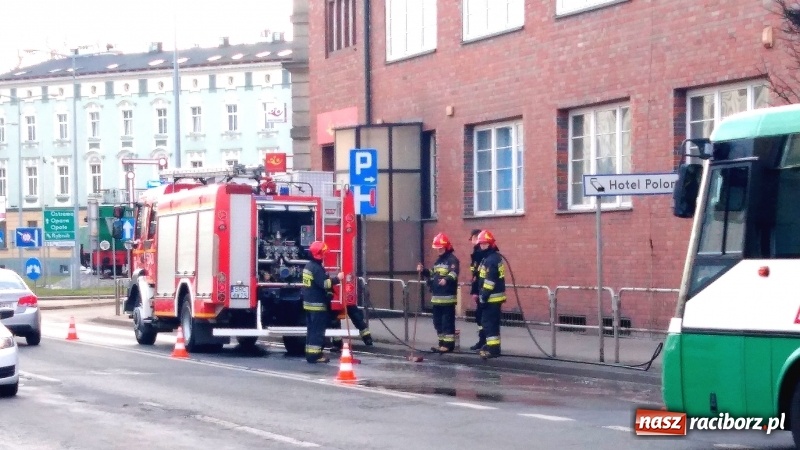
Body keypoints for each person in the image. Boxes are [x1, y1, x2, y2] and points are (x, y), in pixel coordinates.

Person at [417, 232, 460, 353]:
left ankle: (448, 345)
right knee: (437, 322)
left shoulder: (452, 260)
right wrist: (423, 271)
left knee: (447, 322)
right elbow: (432, 273)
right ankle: (441, 343)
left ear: (446, 246)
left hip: (447, 298)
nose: (438, 250)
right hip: (436, 298)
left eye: (440, 248)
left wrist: (446, 280)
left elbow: (454, 273)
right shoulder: (438, 261)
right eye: (437, 248)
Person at [302, 241, 344, 364]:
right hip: (317, 305)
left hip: (309, 304)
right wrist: (338, 278)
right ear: (318, 254)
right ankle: (314, 356)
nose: (325, 255)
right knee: (317, 332)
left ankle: (310, 354)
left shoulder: (309, 266)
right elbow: (325, 284)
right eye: (323, 253)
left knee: (311, 331)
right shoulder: (316, 268)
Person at [475, 230, 506, 359]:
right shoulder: (490, 258)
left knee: (489, 324)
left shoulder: (491, 259)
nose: (482, 247)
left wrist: (483, 297)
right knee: (491, 323)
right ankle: (492, 346)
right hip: (493, 298)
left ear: (490, 244)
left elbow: (489, 281)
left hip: (491, 299)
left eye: (484, 244)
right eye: (480, 244)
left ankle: (493, 350)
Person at [468, 229, 486, 351]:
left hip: (481, 290)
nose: (471, 242)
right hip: (480, 289)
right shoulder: (477, 253)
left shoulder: (479, 254)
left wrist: (475, 291)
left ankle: (484, 341)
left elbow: (478, 275)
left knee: (482, 316)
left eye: (472, 239)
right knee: (479, 316)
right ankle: (482, 340)